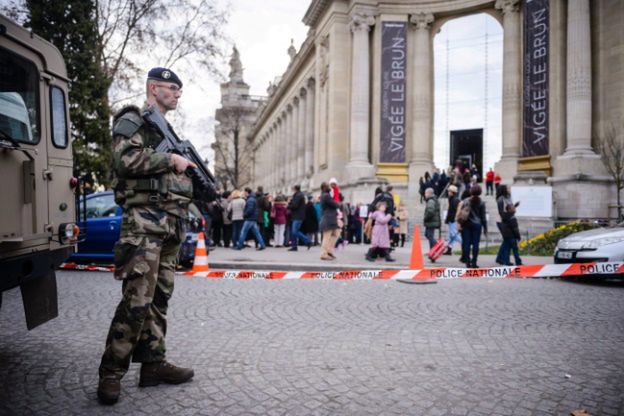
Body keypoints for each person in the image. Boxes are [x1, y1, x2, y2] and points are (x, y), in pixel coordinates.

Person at [98, 67, 196, 405]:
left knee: (159, 299)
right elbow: (125, 160)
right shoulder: (133, 118)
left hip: (170, 224)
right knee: (137, 300)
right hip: (143, 222)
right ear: (153, 88)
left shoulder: (166, 129)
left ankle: (153, 366)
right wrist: (170, 159)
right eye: (171, 87)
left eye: (178, 89)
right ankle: (111, 373)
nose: (177, 93)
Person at [456, 184, 487, 268]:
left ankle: (467, 262)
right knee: (476, 244)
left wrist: (459, 224)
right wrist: (485, 228)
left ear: (471, 191)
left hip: (466, 225)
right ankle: (474, 262)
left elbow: (460, 214)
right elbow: (483, 217)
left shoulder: (465, 201)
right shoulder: (481, 202)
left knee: (466, 244)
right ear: (480, 192)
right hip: (477, 225)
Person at [495, 185, 523, 266]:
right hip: (502, 221)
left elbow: (509, 208)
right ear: (504, 190)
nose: (509, 189)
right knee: (508, 241)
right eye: (507, 188)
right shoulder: (501, 199)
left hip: (508, 220)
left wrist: (515, 206)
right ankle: (503, 259)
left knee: (507, 241)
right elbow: (502, 212)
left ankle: (501, 259)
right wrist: (510, 216)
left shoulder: (507, 197)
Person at [319, 182, 341, 260]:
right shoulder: (326, 196)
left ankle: (329, 251)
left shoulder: (325, 195)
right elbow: (335, 205)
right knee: (326, 237)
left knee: (336, 234)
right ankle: (324, 254)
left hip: (331, 218)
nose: (330, 188)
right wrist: (337, 203)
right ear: (324, 188)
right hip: (328, 219)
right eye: (328, 186)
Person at [287, 185, 312, 251]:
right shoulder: (298, 195)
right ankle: (294, 246)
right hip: (297, 215)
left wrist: (288, 205)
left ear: (295, 189)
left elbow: (295, 205)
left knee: (295, 231)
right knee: (293, 231)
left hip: (298, 216)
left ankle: (308, 241)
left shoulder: (298, 195)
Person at [444, 185, 461, 255]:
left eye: (449, 191)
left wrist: (453, 219)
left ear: (452, 192)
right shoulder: (451, 199)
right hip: (451, 220)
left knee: (454, 235)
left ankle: (465, 245)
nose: (448, 192)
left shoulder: (455, 200)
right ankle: (449, 250)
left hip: (453, 220)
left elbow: (453, 211)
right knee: (451, 236)